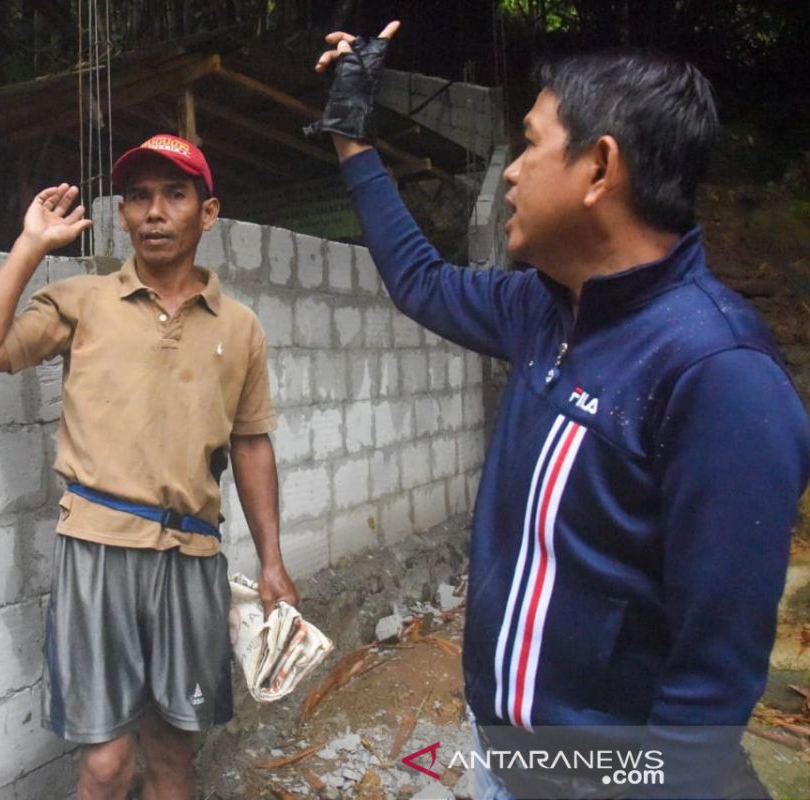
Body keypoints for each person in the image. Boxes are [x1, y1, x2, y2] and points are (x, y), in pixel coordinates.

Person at [311, 22, 810, 799]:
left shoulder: (718, 375)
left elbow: (708, 695)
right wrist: (351, 139)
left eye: (530, 146)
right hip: (503, 753)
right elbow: (422, 283)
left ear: (599, 167)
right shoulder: (546, 309)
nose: (510, 174)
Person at [0, 133, 298, 800]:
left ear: (209, 211)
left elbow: (252, 443)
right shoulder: (82, 302)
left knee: (173, 754)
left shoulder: (241, 326)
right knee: (107, 765)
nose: (154, 212)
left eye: (174, 194)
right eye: (138, 197)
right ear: (122, 214)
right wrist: (30, 246)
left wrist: (274, 561)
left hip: (192, 560)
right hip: (98, 555)